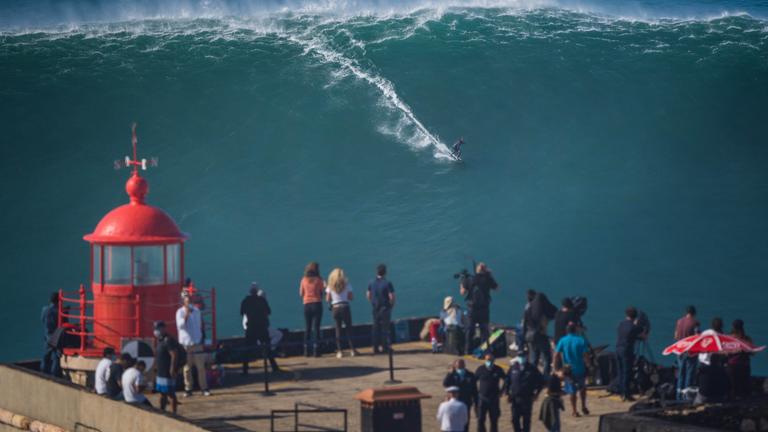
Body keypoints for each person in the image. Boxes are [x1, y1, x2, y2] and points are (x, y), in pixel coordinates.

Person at [176, 292, 210, 397]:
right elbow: (180, 326)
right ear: (182, 301)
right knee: (187, 368)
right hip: (186, 345)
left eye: (189, 298)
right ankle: (188, 389)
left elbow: (199, 326)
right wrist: (186, 314)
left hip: (197, 343)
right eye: (186, 299)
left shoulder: (196, 311)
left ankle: (204, 388)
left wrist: (200, 338)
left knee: (201, 367)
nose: (188, 300)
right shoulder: (179, 312)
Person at [241, 283, 280, 373]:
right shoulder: (262, 301)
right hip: (262, 328)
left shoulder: (245, 301)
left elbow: (243, 312)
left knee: (247, 349)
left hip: (251, 328)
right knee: (268, 348)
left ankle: (245, 370)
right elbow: (268, 312)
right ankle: (274, 367)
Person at [461, 262, 498, 354]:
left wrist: (462, 283)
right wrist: (490, 276)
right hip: (484, 309)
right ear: (485, 270)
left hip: (472, 308)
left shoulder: (469, 279)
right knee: (484, 331)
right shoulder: (488, 279)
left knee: (470, 330)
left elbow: (462, 292)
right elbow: (497, 288)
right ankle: (483, 350)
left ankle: (467, 350)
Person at [554, 323, 590, 416]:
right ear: (575, 330)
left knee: (572, 391)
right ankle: (583, 406)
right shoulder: (581, 340)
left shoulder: (563, 340)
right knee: (582, 388)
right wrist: (588, 364)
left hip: (568, 370)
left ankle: (574, 410)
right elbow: (586, 355)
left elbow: (556, 355)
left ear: (567, 331)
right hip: (580, 368)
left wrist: (556, 368)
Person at [504, 355, 544, 432]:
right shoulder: (513, 367)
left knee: (526, 420)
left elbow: (541, 382)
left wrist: (537, 394)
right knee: (514, 419)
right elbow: (507, 381)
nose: (521, 358)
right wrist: (507, 393)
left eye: (523, 356)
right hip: (515, 398)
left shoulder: (532, 368)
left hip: (527, 398)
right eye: (520, 356)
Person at [326, 268, 359, 358]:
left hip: (335, 308)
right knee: (349, 328)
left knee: (338, 329)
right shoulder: (347, 284)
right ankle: (352, 349)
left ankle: (340, 351)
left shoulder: (330, 285)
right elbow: (351, 297)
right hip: (345, 307)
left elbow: (327, 299)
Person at [615, 306, 646, 401]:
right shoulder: (634, 327)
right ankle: (627, 394)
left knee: (620, 371)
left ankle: (621, 392)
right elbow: (643, 335)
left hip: (618, 348)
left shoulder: (621, 324)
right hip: (627, 350)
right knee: (627, 372)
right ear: (635, 316)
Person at [697, 317, 729, 403]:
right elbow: (723, 353)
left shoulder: (706, 333)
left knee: (703, 387)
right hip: (713, 364)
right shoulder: (721, 337)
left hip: (702, 361)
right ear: (721, 326)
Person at [523, 290, 555, 376]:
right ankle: (545, 376)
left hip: (530, 336)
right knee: (547, 357)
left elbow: (524, 324)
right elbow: (552, 314)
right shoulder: (542, 312)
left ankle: (532, 376)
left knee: (534, 358)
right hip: (540, 335)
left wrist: (523, 339)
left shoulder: (527, 308)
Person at [367, 264, 395, 354]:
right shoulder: (387, 283)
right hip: (385, 308)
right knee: (385, 329)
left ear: (377, 272)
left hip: (375, 308)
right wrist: (391, 306)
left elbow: (368, 294)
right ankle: (385, 347)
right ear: (385, 272)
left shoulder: (371, 282)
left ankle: (375, 348)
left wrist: (372, 302)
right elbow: (391, 296)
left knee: (375, 328)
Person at [443, 359, 478, 432]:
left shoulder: (470, 375)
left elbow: (474, 390)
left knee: (465, 421)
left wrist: (476, 403)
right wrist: (450, 373)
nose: (460, 368)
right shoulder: (452, 375)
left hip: (466, 402)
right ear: (455, 366)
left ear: (464, 365)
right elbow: (445, 384)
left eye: (461, 366)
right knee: (453, 421)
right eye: (458, 367)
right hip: (454, 402)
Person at [673, 305, 700, 400]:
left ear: (686, 312)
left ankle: (678, 396)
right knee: (689, 374)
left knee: (681, 373)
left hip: (680, 351)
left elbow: (676, 336)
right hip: (690, 352)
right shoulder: (695, 323)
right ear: (694, 313)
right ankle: (687, 397)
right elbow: (697, 337)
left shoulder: (679, 321)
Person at [154, 320, 180, 414]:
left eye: (159, 328)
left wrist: (172, 369)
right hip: (160, 371)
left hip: (167, 372)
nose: (156, 330)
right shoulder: (160, 340)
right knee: (162, 393)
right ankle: (162, 411)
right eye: (156, 328)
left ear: (164, 328)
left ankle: (174, 413)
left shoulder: (168, 340)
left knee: (170, 393)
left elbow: (174, 355)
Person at [300, 262, 325, 357]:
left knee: (307, 328)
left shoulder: (304, 280)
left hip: (307, 304)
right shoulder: (319, 280)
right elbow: (322, 292)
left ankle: (306, 350)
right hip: (317, 304)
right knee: (316, 328)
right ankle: (316, 350)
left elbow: (301, 293)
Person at [475, 353, 505, 432]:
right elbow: (473, 381)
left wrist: (502, 390)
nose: (489, 361)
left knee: (494, 420)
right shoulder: (480, 369)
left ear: (494, 360)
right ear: (485, 360)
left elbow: (507, 380)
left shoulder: (498, 369)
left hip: (494, 399)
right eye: (488, 360)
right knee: (480, 419)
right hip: (482, 398)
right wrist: (476, 393)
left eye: (491, 360)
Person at [727, 319, 752, 398]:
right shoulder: (747, 339)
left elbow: (726, 352)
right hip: (744, 366)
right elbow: (752, 352)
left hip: (732, 366)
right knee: (744, 386)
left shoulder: (729, 339)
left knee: (733, 386)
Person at [40, 292, 61, 377]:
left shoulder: (44, 309)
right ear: (58, 300)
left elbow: (42, 320)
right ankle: (54, 375)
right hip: (55, 336)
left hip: (47, 335)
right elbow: (62, 324)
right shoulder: (58, 311)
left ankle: (43, 372)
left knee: (46, 356)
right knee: (56, 357)